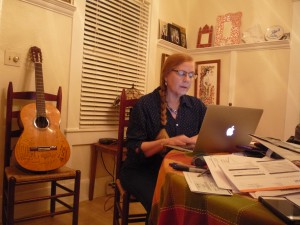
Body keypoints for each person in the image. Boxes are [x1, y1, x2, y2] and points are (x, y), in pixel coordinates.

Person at [119, 53, 207, 223]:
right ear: (166, 75)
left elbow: (207, 133)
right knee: (164, 203)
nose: (187, 79)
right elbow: (134, 147)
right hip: (143, 171)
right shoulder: (145, 105)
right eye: (182, 73)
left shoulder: (196, 106)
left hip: (180, 169)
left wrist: (195, 140)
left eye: (191, 75)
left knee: (200, 200)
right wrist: (166, 142)